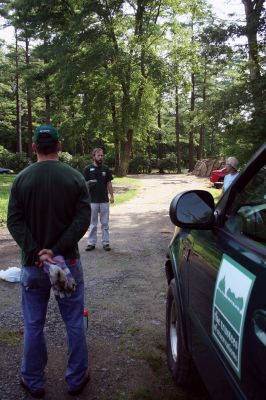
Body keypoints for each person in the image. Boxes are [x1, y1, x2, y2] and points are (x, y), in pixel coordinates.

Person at [7, 124, 91, 398]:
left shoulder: (21, 180)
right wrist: (55, 251)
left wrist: (37, 253)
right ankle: (77, 378)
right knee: (74, 322)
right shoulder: (76, 178)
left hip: (33, 268)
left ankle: (33, 380)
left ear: (34, 148)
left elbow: (14, 221)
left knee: (33, 324)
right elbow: (82, 221)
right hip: (67, 266)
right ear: (59, 146)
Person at [84, 148, 114, 251]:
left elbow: (109, 183)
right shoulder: (87, 169)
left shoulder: (106, 169)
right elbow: (84, 185)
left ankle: (106, 243)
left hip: (104, 200)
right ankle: (91, 243)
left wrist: (112, 196)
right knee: (93, 224)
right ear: (93, 157)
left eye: (102, 155)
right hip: (92, 201)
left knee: (105, 223)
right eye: (98, 156)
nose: (101, 157)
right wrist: (89, 183)